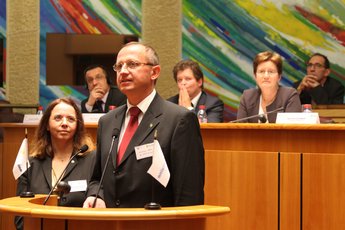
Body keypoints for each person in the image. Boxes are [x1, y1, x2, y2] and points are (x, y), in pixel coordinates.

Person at [83, 42, 204, 208]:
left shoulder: (179, 120)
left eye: (132, 64)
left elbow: (189, 194)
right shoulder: (107, 121)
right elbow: (97, 179)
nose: (123, 71)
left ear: (154, 72)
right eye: (119, 66)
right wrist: (96, 196)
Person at [15, 98, 96, 230]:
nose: (64, 123)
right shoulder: (31, 164)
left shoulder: (92, 159)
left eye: (70, 119)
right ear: (47, 125)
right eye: (58, 118)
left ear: (77, 126)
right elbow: (20, 215)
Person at [237, 51, 301, 123]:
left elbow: (292, 131)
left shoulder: (289, 95)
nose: (266, 76)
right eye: (261, 71)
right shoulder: (247, 97)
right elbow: (240, 130)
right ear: (255, 76)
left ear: (279, 76)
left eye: (271, 72)